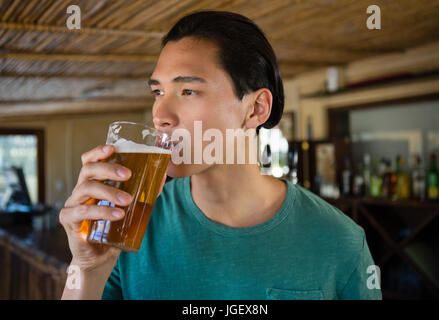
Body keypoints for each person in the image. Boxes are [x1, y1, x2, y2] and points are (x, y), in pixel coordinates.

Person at [60, 11, 382, 300]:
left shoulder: (341, 242)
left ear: (256, 109)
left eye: (188, 91)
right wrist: (87, 269)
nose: (160, 114)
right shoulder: (128, 225)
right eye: (158, 91)